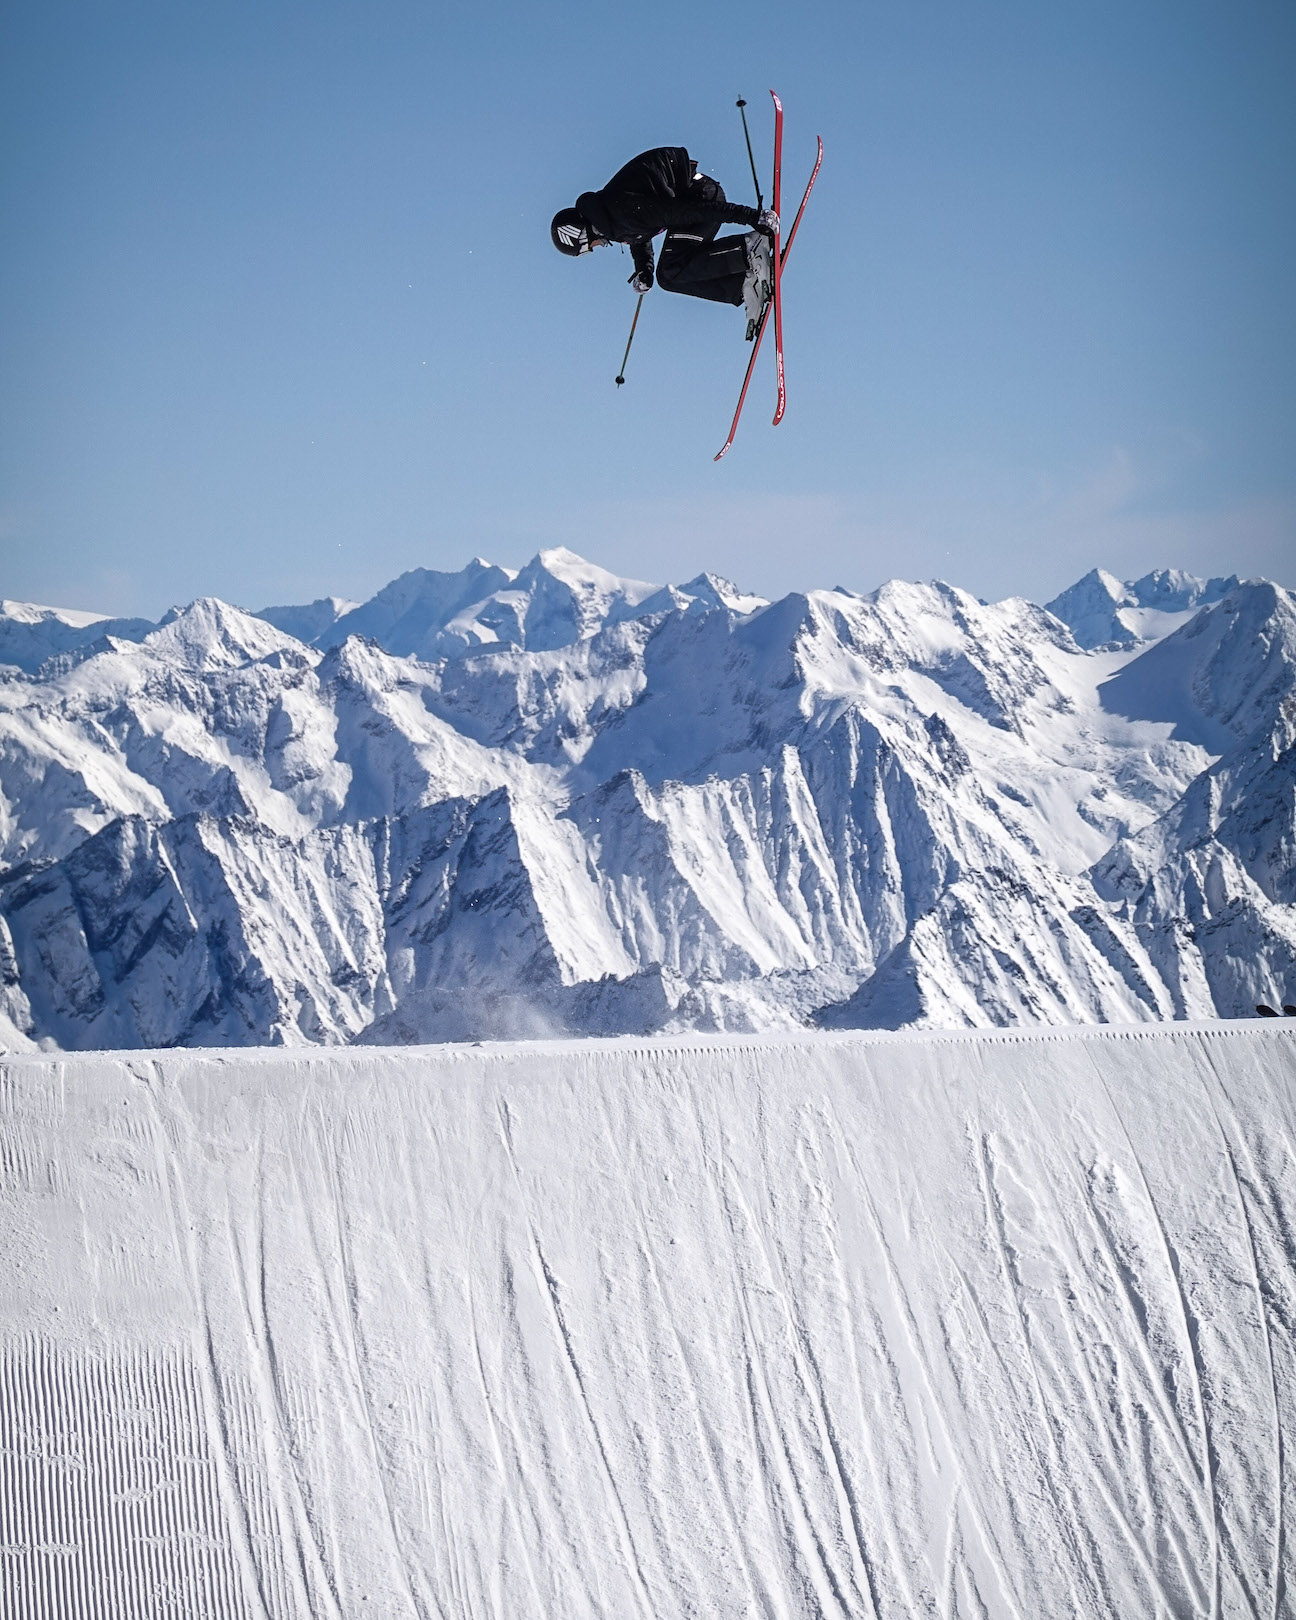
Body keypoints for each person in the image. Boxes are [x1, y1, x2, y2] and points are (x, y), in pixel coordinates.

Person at [551, 147, 780, 336]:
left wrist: (750, 216)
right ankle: (743, 285)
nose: (596, 248)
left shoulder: (620, 211)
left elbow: (684, 212)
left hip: (699, 195)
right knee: (669, 279)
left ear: (583, 234)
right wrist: (644, 269)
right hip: (687, 205)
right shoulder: (610, 217)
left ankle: (749, 249)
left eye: (588, 247)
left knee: (672, 270)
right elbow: (638, 235)